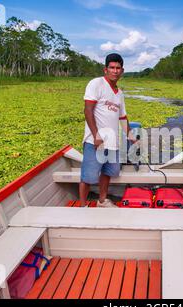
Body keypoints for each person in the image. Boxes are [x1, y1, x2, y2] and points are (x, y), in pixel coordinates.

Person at [79, 53, 135, 208]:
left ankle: (102, 201)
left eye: (118, 68)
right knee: (88, 176)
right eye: (112, 67)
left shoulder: (119, 93)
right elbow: (88, 110)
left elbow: (122, 117)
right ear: (105, 69)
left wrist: (130, 135)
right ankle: (83, 207)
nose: (115, 71)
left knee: (108, 172)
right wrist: (96, 135)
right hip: (95, 141)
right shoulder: (96, 84)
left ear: (122, 71)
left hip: (112, 143)